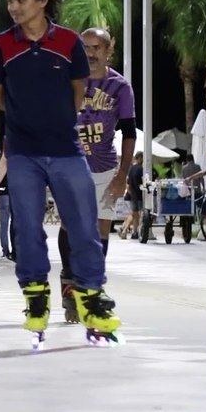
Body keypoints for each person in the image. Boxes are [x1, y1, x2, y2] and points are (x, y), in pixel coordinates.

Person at [0, 0, 121, 347]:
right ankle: (36, 298)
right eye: (9, 1)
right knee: (27, 229)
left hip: (65, 149)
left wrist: (56, 120)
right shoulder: (0, 46)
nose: (13, 7)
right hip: (24, 151)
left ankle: (92, 299)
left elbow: (78, 92)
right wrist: (26, 120)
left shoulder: (69, 42)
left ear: (41, 0)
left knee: (83, 228)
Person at [60, 27, 135, 322]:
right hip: (70, 164)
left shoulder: (120, 87)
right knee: (70, 225)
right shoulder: (68, 80)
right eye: (85, 47)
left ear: (107, 51)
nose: (90, 53)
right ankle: (69, 283)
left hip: (105, 168)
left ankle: (91, 284)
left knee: (101, 230)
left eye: (96, 48)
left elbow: (128, 133)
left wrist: (123, 175)